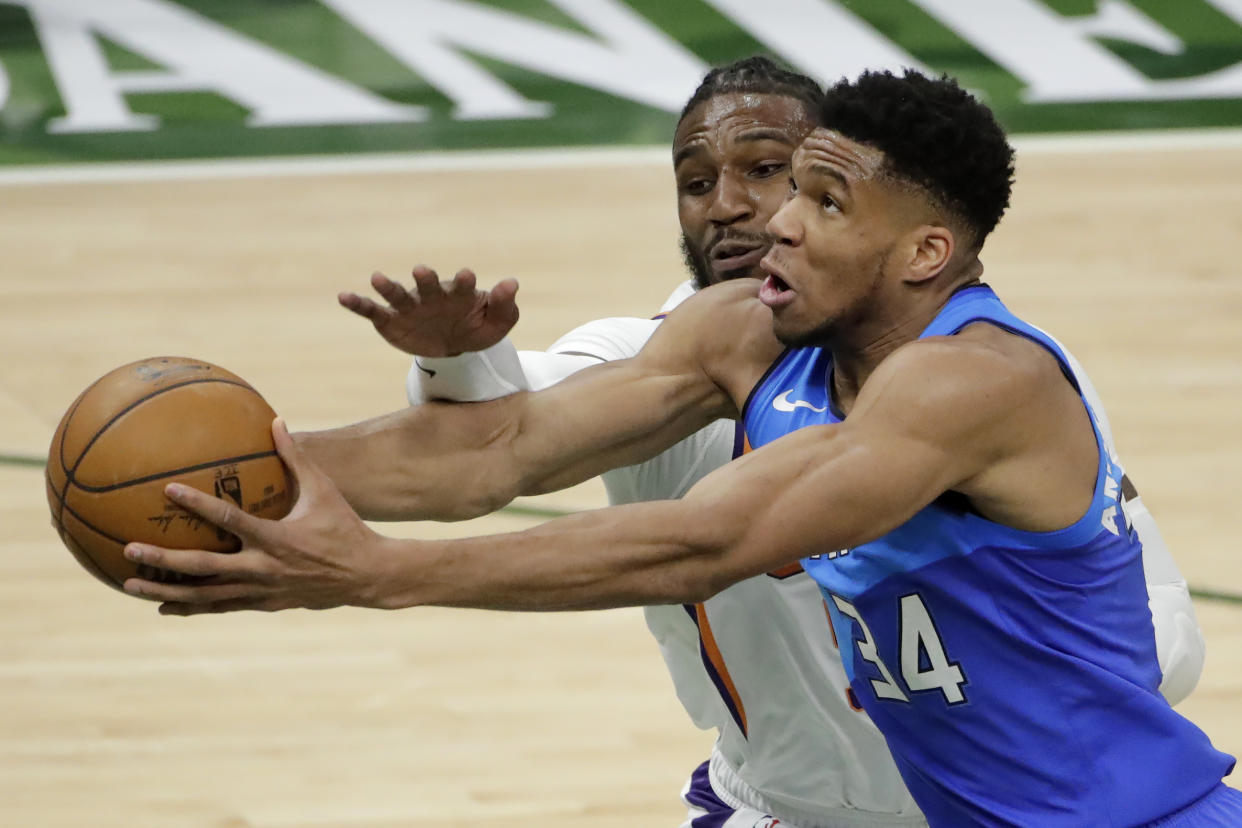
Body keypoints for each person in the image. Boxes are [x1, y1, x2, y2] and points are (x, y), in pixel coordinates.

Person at [121, 69, 1240, 825]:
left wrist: (376, 576)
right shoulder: (743, 333)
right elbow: (495, 452)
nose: (777, 223)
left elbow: (715, 539)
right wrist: (223, 481)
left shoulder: (976, 384)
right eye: (781, 191)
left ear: (925, 253)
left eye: (822, 201)